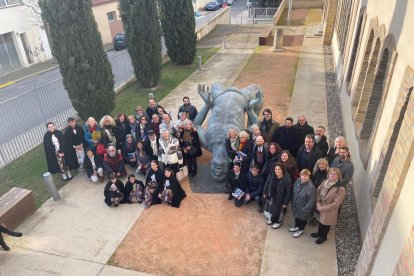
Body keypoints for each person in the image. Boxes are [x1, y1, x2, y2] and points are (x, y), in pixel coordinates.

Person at [313, 168, 346, 244]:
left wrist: (323, 208)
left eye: (334, 174)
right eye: (330, 174)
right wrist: (318, 202)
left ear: (338, 176)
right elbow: (318, 190)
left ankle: (323, 237)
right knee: (320, 221)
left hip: (329, 209)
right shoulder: (325, 182)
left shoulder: (341, 188)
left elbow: (336, 203)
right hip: (320, 205)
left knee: (326, 224)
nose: (332, 176)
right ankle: (319, 233)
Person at [263, 163, 292, 229]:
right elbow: (267, 183)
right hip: (271, 196)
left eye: (279, 169)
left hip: (280, 199)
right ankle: (271, 219)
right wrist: (265, 192)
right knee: (271, 209)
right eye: (276, 169)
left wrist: (285, 203)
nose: (277, 171)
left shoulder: (287, 179)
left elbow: (288, 193)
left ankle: (279, 222)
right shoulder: (272, 175)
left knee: (279, 212)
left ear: (282, 170)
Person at [290, 169, 316, 238]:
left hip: (303, 207)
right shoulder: (298, 181)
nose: (304, 177)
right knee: (296, 216)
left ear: (309, 177)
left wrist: (305, 209)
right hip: (296, 204)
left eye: (306, 176)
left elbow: (311, 200)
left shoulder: (311, 187)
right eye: (302, 175)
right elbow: (293, 189)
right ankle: (296, 226)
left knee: (302, 219)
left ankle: (300, 230)